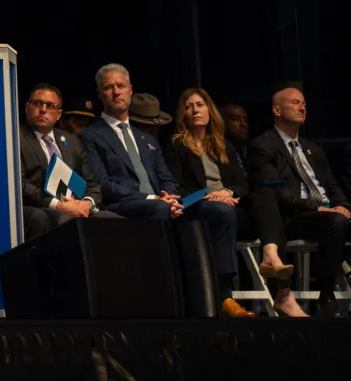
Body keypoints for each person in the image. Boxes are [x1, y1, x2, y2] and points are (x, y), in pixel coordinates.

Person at [79, 64, 246, 317]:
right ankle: (161, 294)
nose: (115, 92)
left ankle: (224, 294)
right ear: (100, 94)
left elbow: (167, 179)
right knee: (158, 207)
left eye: (120, 86)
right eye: (108, 87)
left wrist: (171, 196)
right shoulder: (91, 135)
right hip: (125, 204)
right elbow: (102, 183)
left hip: (163, 203)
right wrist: (153, 198)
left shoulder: (146, 138)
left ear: (130, 90)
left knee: (220, 211)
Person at [164, 87, 302, 317]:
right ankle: (226, 296)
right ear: (182, 114)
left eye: (199, 105)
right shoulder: (176, 146)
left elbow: (242, 185)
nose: (194, 110)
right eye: (188, 107)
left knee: (265, 195)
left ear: (210, 111)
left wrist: (227, 191)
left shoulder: (223, 146)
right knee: (223, 211)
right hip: (199, 208)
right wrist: (210, 195)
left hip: (227, 206)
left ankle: (271, 257)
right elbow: (177, 186)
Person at [247, 87, 350, 318]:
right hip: (291, 217)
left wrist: (343, 204)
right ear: (277, 109)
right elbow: (274, 192)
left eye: (303, 103)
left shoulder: (312, 148)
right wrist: (319, 208)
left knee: (340, 216)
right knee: (336, 221)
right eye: (295, 102)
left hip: (326, 211)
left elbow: (333, 187)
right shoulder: (263, 145)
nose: (302, 107)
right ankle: (327, 296)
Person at [17, 82, 114, 240]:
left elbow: (91, 182)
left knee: (113, 220)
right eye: (38, 104)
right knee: (60, 219)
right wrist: (60, 205)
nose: (43, 110)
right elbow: (19, 184)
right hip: (40, 206)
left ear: (59, 114)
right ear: (27, 108)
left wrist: (87, 204)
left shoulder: (72, 141)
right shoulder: (15, 137)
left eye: (50, 106)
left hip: (76, 204)